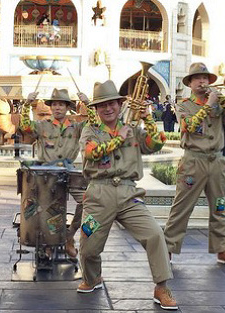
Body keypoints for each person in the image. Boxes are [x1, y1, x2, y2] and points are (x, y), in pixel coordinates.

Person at [77, 80, 177, 310]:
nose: (108, 108)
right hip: (98, 195)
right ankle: (92, 278)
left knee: (154, 235)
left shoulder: (133, 128)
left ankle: (161, 287)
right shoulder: (90, 131)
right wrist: (118, 139)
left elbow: (155, 144)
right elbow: (91, 153)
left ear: (120, 104)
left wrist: (148, 118)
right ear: (96, 109)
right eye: (102, 105)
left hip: (129, 193)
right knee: (89, 246)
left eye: (112, 103)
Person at [164, 63, 225, 267]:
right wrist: (209, 105)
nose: (203, 82)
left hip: (216, 161)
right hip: (193, 161)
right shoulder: (183, 105)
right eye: (198, 78)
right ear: (190, 83)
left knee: (219, 207)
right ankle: (167, 249)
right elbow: (188, 127)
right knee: (182, 207)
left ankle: (223, 249)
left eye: (206, 78)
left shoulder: (219, 103)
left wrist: (224, 102)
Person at [20, 88, 89, 258]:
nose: (57, 108)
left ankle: (69, 236)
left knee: (89, 202)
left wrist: (88, 104)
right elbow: (24, 127)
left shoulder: (77, 127)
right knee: (45, 210)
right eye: (55, 105)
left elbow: (96, 124)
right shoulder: (42, 125)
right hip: (46, 174)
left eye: (61, 105)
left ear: (67, 108)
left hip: (68, 171)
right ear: (51, 108)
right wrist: (26, 104)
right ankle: (47, 244)